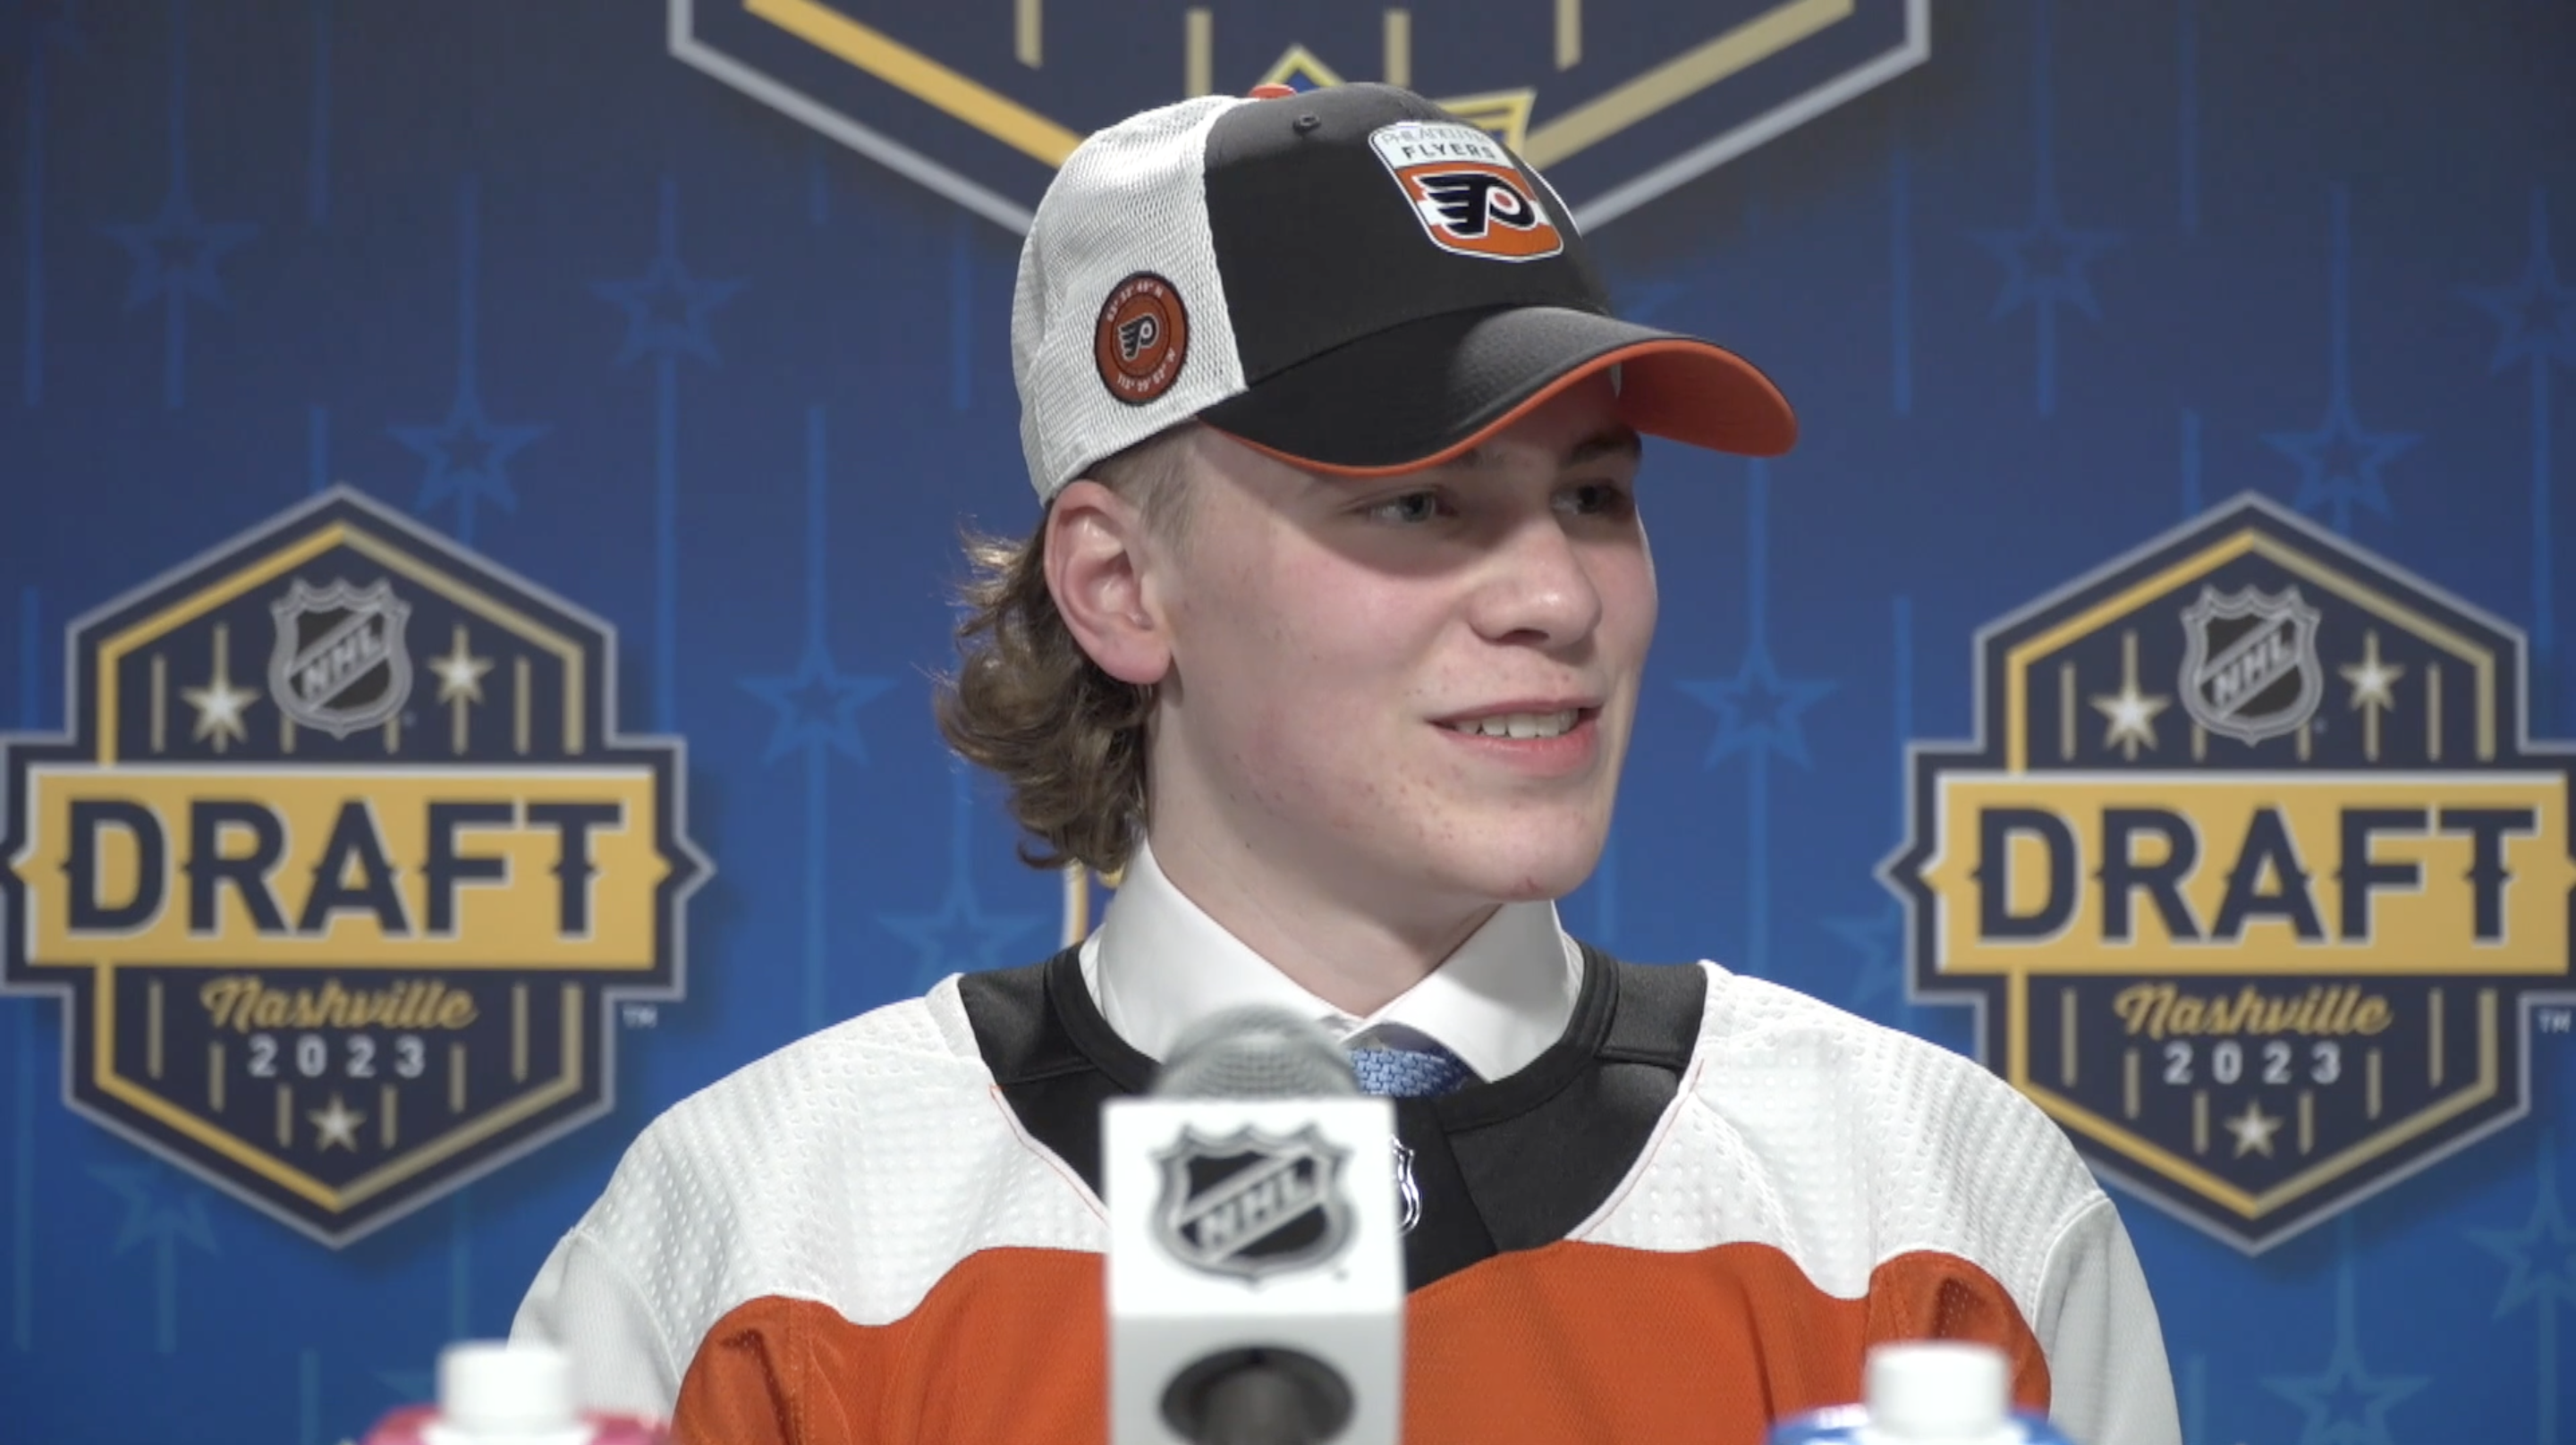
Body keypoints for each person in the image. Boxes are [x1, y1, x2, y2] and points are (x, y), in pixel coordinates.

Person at [512, 82, 2182, 1445]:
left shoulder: (1929, 1208)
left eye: (1595, 496)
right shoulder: (769, 1239)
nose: (1557, 598)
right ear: (1121, 585)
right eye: (1420, 502)